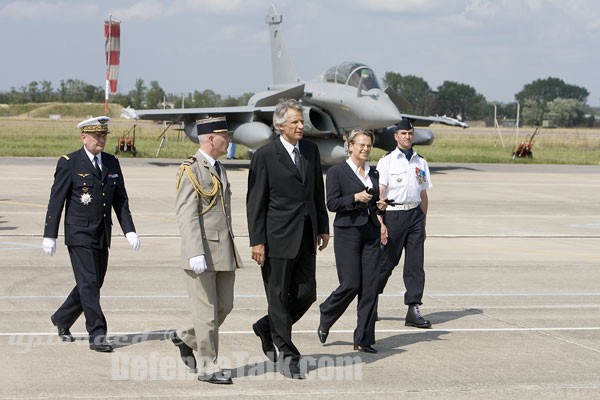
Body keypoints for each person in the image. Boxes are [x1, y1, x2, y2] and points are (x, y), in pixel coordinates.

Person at [246, 99, 330, 379]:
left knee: (307, 294)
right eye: (294, 122)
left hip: (306, 235)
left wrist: (322, 226)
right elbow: (255, 202)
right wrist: (257, 240)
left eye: (301, 121)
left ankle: (266, 327)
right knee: (279, 298)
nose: (300, 126)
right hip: (276, 238)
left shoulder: (310, 151)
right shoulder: (265, 156)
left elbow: (317, 191)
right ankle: (289, 355)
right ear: (280, 125)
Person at [42, 116, 141, 353]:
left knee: (94, 283)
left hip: (102, 233)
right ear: (83, 137)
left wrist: (129, 229)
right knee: (88, 283)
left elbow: (120, 199)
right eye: (96, 136)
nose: (100, 140)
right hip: (78, 233)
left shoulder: (111, 162)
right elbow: (56, 201)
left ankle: (62, 318)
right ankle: (97, 333)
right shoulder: (70, 163)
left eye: (103, 136)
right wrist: (49, 234)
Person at [172, 116, 242, 385]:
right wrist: (194, 252)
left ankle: (185, 337)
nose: (229, 140)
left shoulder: (219, 168)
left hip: (223, 250)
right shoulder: (191, 170)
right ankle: (208, 367)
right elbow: (186, 215)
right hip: (201, 252)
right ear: (211, 138)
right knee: (207, 314)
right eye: (225, 135)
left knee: (225, 306)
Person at [318, 129, 382, 353]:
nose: (365, 149)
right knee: (351, 283)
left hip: (371, 233)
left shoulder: (373, 173)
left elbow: (373, 204)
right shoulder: (337, 172)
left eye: (368, 146)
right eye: (361, 145)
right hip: (348, 233)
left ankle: (363, 339)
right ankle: (327, 313)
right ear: (350, 146)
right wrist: (354, 198)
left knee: (370, 288)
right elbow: (332, 203)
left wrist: (379, 207)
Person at [376, 118, 432, 329]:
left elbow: (423, 194)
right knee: (386, 262)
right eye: (403, 134)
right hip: (394, 214)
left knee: (415, 264)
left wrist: (423, 222)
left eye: (410, 133)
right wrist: (380, 222)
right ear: (395, 136)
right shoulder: (387, 161)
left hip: (415, 214)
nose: (407, 137)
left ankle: (413, 307)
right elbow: (380, 194)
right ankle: (370, 300)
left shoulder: (420, 161)